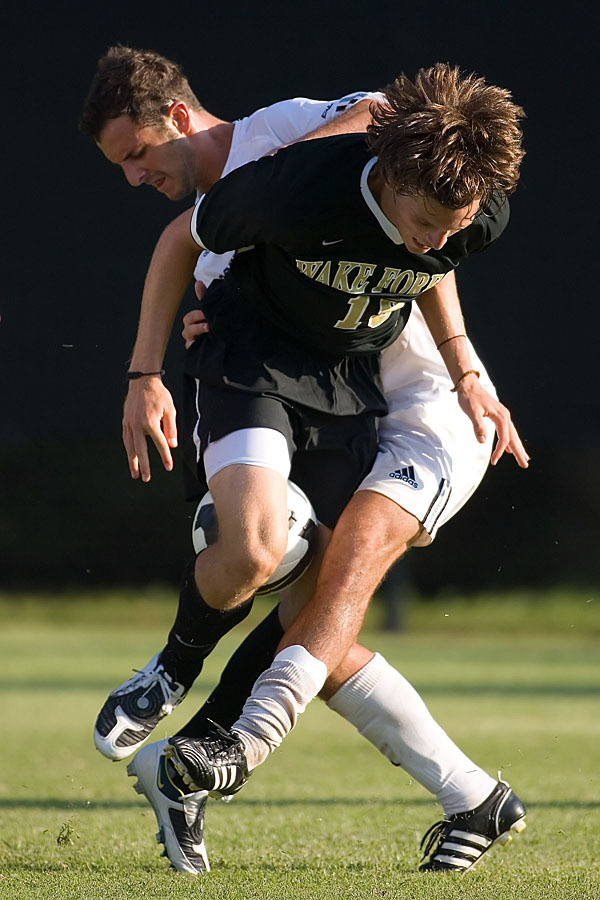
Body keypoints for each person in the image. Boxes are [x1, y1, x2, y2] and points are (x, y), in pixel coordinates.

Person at [80, 48, 528, 875]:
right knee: (302, 595)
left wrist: (468, 371)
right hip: (315, 377)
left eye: (138, 154)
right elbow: (199, 259)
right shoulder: (292, 186)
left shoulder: (342, 162)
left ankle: (224, 752)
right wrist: (171, 352)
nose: (135, 175)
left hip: (427, 409)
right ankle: (469, 793)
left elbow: (419, 198)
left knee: (330, 587)